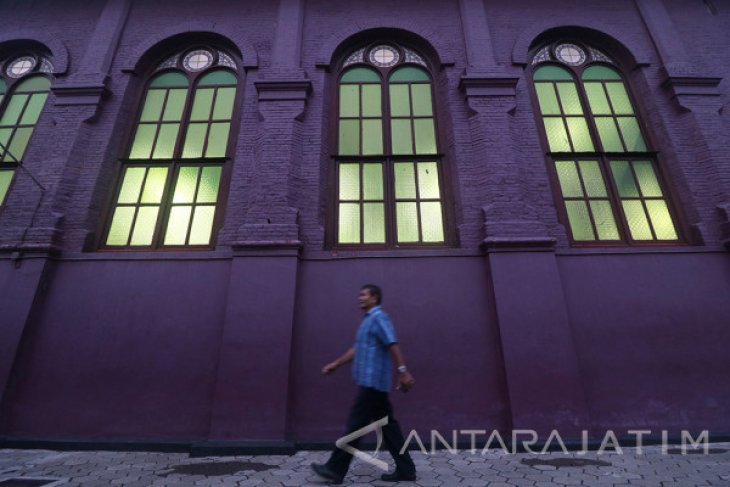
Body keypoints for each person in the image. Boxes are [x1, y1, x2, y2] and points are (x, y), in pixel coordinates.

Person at [311, 284, 417, 484]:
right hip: (372, 385)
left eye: (363, 295)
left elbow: (392, 342)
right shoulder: (367, 321)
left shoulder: (378, 317)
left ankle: (335, 469)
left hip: (373, 384)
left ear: (374, 298)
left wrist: (403, 371)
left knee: (355, 426)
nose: (359, 298)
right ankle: (406, 469)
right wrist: (336, 364)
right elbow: (357, 350)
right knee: (389, 428)